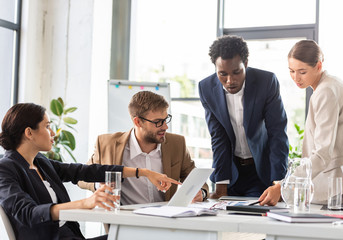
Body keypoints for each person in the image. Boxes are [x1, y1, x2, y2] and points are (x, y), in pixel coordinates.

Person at [0, 103, 179, 240]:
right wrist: (86, 203)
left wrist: (144, 172)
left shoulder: (40, 162)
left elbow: (85, 171)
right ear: (29, 133)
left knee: (140, 236)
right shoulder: (5, 168)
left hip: (71, 237)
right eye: (47, 126)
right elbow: (28, 213)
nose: (53, 133)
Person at [260, 39, 343, 205]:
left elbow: (322, 153)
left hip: (340, 187)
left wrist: (285, 185)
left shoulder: (326, 91)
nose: (296, 78)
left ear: (319, 66)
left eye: (302, 72)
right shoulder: (331, 85)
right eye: (291, 71)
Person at [199, 35, 289, 204]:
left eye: (236, 72)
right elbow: (218, 138)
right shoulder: (206, 88)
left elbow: (278, 134)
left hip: (260, 170)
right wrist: (221, 184)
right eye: (222, 74)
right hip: (231, 171)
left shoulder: (266, 82)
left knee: (256, 220)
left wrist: (279, 184)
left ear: (245, 64)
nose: (230, 81)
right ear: (215, 69)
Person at [78, 91, 209, 205]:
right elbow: (81, 177)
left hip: (166, 221)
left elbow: (196, 178)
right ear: (137, 122)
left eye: (166, 119)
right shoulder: (107, 144)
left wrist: (201, 193)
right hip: (125, 222)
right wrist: (99, 184)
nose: (165, 127)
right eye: (158, 122)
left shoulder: (176, 143)